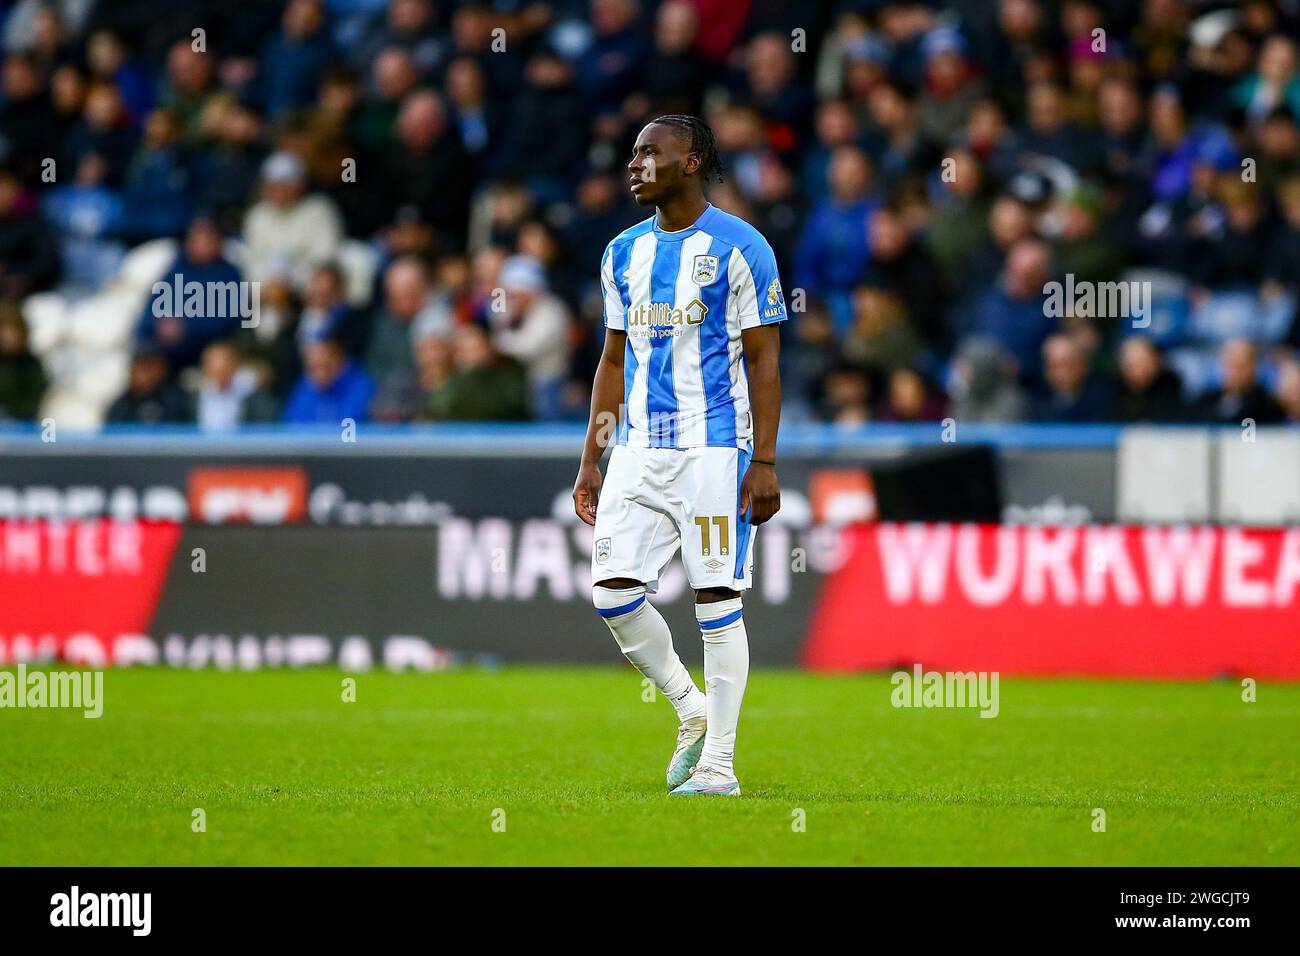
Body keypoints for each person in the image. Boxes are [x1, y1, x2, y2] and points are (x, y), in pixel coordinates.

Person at [572, 115, 786, 798]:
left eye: (649, 153)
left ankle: (720, 766)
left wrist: (766, 460)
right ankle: (689, 709)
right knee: (611, 594)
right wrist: (592, 457)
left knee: (716, 598)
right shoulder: (621, 254)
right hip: (636, 448)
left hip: (715, 451)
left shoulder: (741, 247)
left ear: (690, 162)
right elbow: (611, 361)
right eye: (632, 154)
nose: (633, 165)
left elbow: (765, 361)